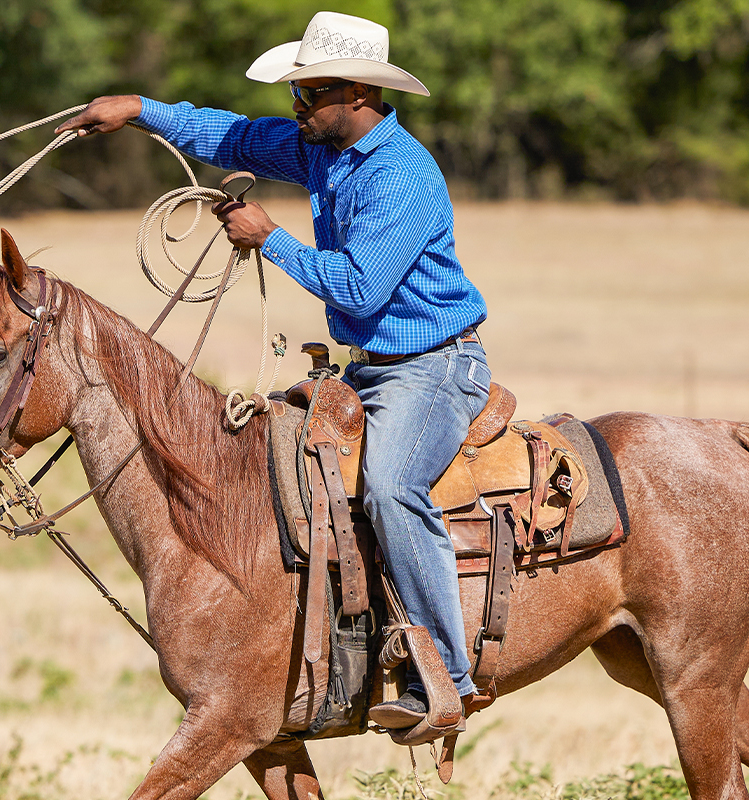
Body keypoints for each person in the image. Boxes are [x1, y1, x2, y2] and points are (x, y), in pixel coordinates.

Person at [55, 10, 491, 731]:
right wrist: (136, 110)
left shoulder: (403, 176)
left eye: (309, 93)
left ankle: (445, 674)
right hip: (370, 366)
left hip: (435, 367)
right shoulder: (323, 147)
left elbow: (359, 288)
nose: (296, 107)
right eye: (296, 93)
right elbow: (228, 134)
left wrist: (271, 237)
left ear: (356, 93)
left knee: (391, 487)